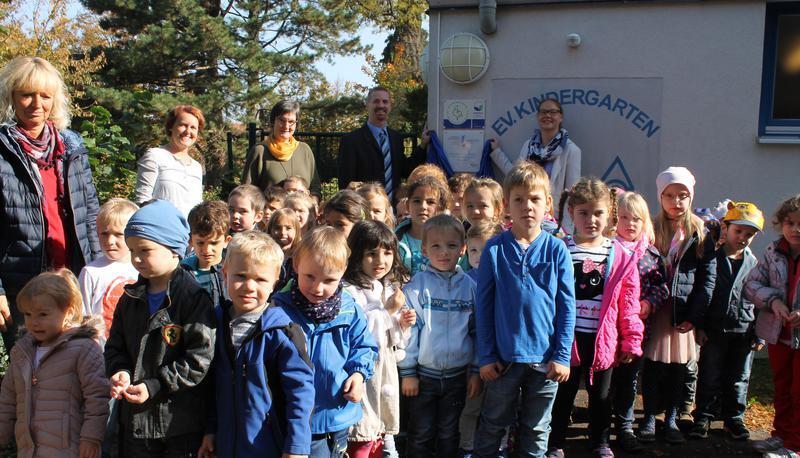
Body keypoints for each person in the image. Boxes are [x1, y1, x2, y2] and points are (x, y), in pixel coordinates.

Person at [473, 161, 576, 458]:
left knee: (537, 428)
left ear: (548, 204)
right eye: (519, 199)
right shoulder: (494, 249)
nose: (527, 206)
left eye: (535, 199)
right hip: (503, 361)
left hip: (545, 362)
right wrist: (487, 355)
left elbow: (566, 307)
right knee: (493, 424)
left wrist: (562, 355)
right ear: (506, 205)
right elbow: (484, 306)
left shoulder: (557, 250)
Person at [0, 56, 102, 349]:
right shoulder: (2, 149)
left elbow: (90, 213)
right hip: (23, 284)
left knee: (74, 368)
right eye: (27, 94)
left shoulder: (71, 147)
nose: (36, 104)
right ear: (11, 97)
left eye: (45, 96)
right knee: (29, 372)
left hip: (72, 278)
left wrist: (97, 270)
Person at [105, 199, 216, 457]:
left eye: (145, 250)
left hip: (179, 425)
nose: (136, 258)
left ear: (174, 249)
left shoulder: (192, 298)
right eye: (132, 250)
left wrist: (155, 385)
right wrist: (119, 370)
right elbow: (115, 345)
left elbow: (199, 360)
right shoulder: (130, 298)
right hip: (136, 423)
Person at [547, 178, 643, 458]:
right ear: (572, 212)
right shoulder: (560, 248)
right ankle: (555, 443)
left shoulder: (620, 254)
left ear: (609, 214)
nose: (591, 219)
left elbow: (629, 302)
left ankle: (600, 441)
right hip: (567, 338)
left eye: (598, 213)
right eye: (584, 213)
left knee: (601, 396)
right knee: (562, 396)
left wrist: (631, 341)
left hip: (603, 340)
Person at [199, 231, 315, 458]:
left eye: (260, 279)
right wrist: (211, 430)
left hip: (267, 445)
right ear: (225, 275)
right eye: (240, 276)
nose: (249, 286)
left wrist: (297, 446)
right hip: (226, 444)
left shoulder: (282, 332)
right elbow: (214, 388)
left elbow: (301, 392)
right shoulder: (215, 322)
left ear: (275, 281)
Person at [276, 226, 378, 458]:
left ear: (343, 273)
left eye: (329, 280)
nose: (318, 288)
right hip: (296, 416)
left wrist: (359, 375)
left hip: (337, 411)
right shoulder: (280, 309)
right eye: (310, 276)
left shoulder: (348, 308)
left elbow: (364, 346)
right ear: (296, 266)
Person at [639, 167, 716, 444]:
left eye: (682, 195)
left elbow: (707, 279)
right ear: (660, 197)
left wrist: (696, 316)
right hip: (656, 310)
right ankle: (649, 416)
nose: (676, 202)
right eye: (669, 195)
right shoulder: (651, 228)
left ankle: (671, 417)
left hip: (682, 312)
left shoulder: (700, 232)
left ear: (691, 197)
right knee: (653, 366)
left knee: (677, 368)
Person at [0, 269, 109, 458]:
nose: (34, 322)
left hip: (71, 449)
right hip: (29, 450)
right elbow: (8, 401)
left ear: (69, 312)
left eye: (43, 314)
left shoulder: (84, 349)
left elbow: (97, 398)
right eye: (27, 314)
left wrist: (91, 438)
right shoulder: (21, 352)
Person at [398, 214, 480, 458]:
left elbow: (476, 333)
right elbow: (409, 333)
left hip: (457, 377)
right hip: (423, 378)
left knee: (448, 433)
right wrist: (409, 372)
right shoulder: (416, 287)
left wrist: (476, 372)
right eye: (436, 246)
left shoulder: (470, 288)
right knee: (421, 433)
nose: (444, 252)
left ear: (463, 249)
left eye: (452, 246)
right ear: (424, 249)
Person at [689, 202, 765, 441]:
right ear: (726, 228)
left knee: (739, 378)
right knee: (710, 374)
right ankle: (703, 416)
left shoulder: (755, 265)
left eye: (749, 234)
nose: (742, 238)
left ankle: (734, 419)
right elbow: (702, 293)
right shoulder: (712, 259)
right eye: (738, 231)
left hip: (744, 331)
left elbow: (761, 301)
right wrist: (699, 326)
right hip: (714, 330)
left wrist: (759, 333)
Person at [343, 220, 415, 458]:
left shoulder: (385, 285)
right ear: (357, 256)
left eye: (387, 253)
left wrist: (402, 324)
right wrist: (388, 311)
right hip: (362, 369)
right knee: (362, 432)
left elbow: (393, 340)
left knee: (380, 433)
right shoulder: (350, 289)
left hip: (385, 366)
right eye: (371, 254)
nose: (380, 261)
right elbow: (360, 330)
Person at [610, 191, 669, 453]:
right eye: (624, 217)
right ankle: (599, 423)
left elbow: (661, 287)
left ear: (644, 221)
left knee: (628, 378)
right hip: (608, 330)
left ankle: (624, 426)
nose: (630, 224)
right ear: (615, 220)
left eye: (636, 218)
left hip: (635, 332)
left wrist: (648, 303)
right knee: (604, 378)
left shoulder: (651, 255)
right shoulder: (607, 249)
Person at [746, 195, 800, 458]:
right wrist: (774, 301)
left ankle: (795, 446)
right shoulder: (773, 251)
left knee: (799, 392)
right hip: (780, 335)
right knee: (783, 388)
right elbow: (751, 284)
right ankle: (780, 436)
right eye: (789, 222)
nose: (795, 229)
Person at [337, 87, 427, 200]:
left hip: (392, 209)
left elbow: (405, 170)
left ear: (390, 106)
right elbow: (345, 183)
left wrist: (423, 145)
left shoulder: (396, 138)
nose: (381, 105)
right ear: (367, 105)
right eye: (376, 101)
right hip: (365, 209)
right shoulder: (351, 140)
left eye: (385, 102)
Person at [489, 98, 580, 208]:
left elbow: (571, 193)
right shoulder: (529, 146)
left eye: (553, 112)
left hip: (553, 218)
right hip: (528, 210)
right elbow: (516, 176)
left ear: (561, 117)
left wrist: (564, 224)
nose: (547, 115)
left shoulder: (571, 150)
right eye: (543, 112)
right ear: (538, 117)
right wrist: (496, 152)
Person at [79, 198, 140, 339]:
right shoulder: (91, 272)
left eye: (118, 234)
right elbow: (82, 315)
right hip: (101, 350)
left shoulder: (142, 268)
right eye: (104, 234)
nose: (110, 241)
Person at [134, 104, 205, 218]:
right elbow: (142, 200)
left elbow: (198, 206)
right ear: (171, 126)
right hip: (160, 231)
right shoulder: (155, 155)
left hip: (189, 233)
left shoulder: (196, 167)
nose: (188, 131)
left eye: (193, 127)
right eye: (183, 125)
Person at [242, 100, 321, 197]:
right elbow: (247, 192)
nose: (286, 126)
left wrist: (313, 203)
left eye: (291, 122)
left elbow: (315, 188)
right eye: (281, 120)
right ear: (273, 121)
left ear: (296, 124)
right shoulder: (260, 151)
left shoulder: (305, 150)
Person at [395, 176, 450, 276]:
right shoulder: (395, 240)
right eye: (417, 201)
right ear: (407, 205)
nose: (423, 206)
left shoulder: (451, 240)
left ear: (440, 207)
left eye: (430, 202)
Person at [182, 200, 231, 306]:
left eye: (214, 243)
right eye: (200, 243)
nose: (207, 250)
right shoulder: (183, 272)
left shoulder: (233, 270)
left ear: (226, 241)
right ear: (191, 241)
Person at [268, 208, 303, 292]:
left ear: (296, 231)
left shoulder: (300, 257)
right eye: (277, 228)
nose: (283, 232)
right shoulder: (266, 256)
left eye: (288, 228)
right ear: (270, 230)